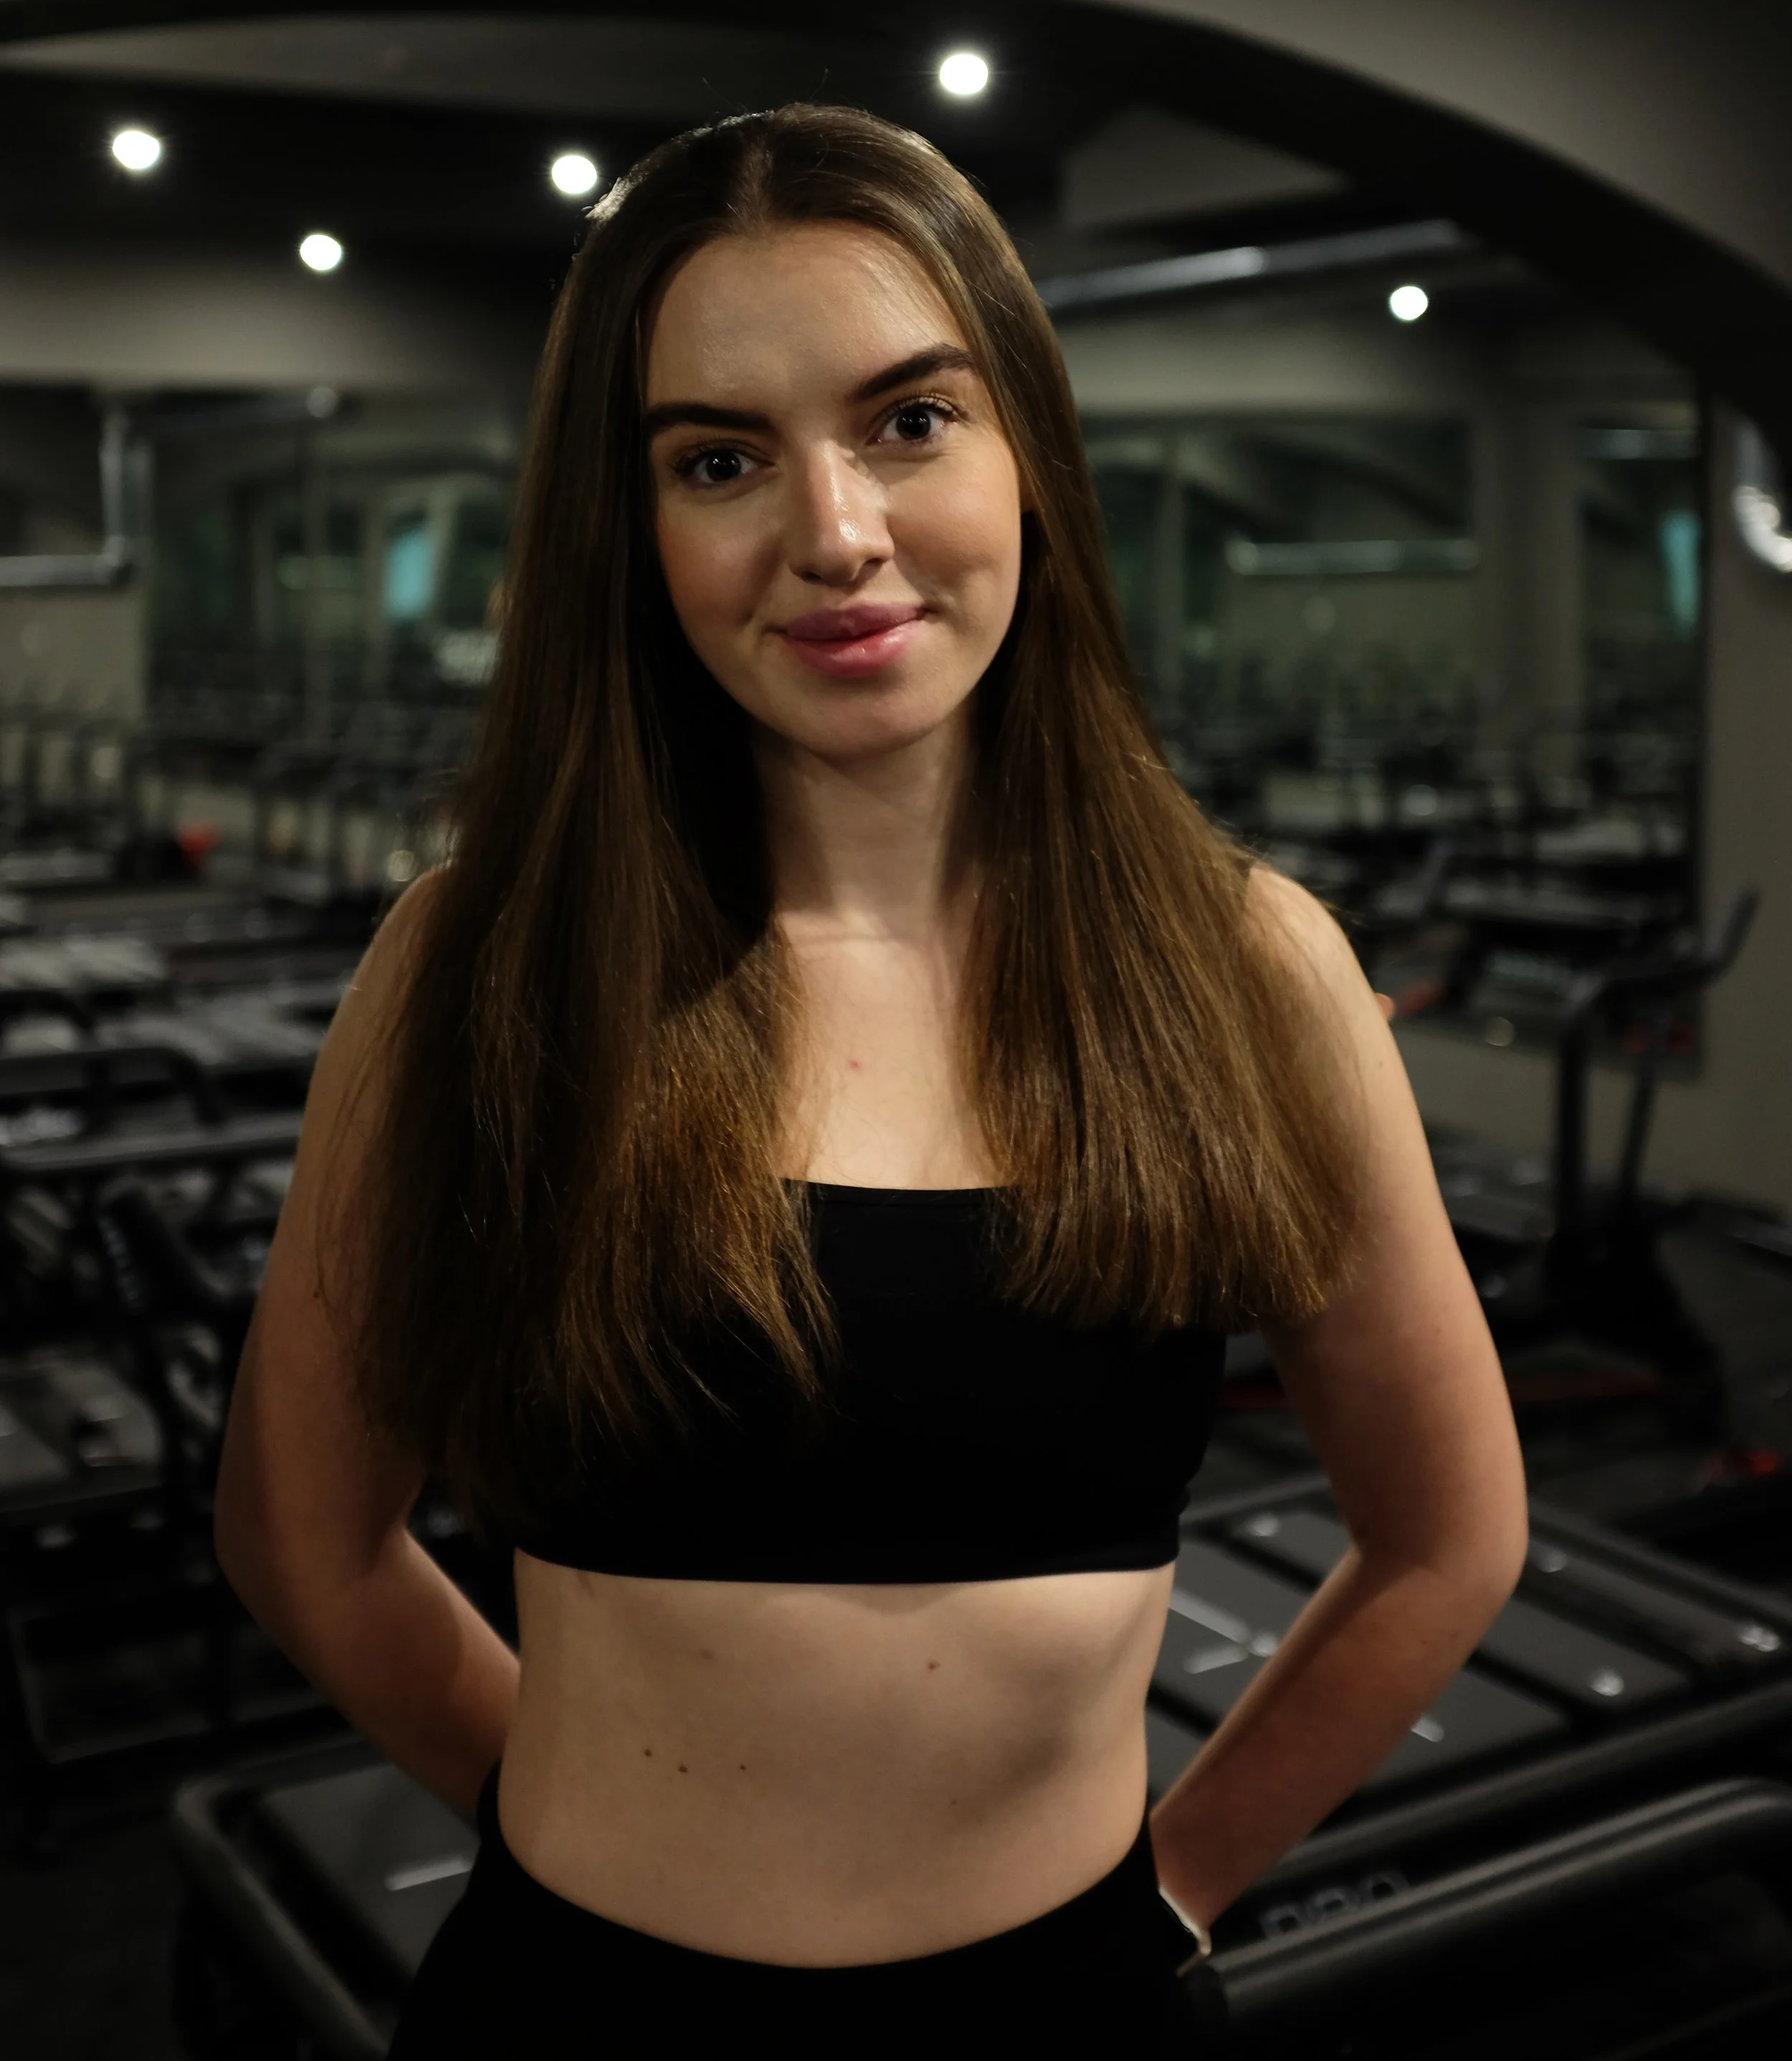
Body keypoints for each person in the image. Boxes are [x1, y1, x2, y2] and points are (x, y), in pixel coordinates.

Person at [216, 103, 1528, 2053]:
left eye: (910, 419)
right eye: (721, 459)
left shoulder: (1241, 972)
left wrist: (1166, 1887)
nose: (832, 535)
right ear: (628, 524)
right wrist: (561, 1830)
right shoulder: (478, 967)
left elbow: (1445, 1532)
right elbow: (303, 1532)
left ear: (1028, 456)